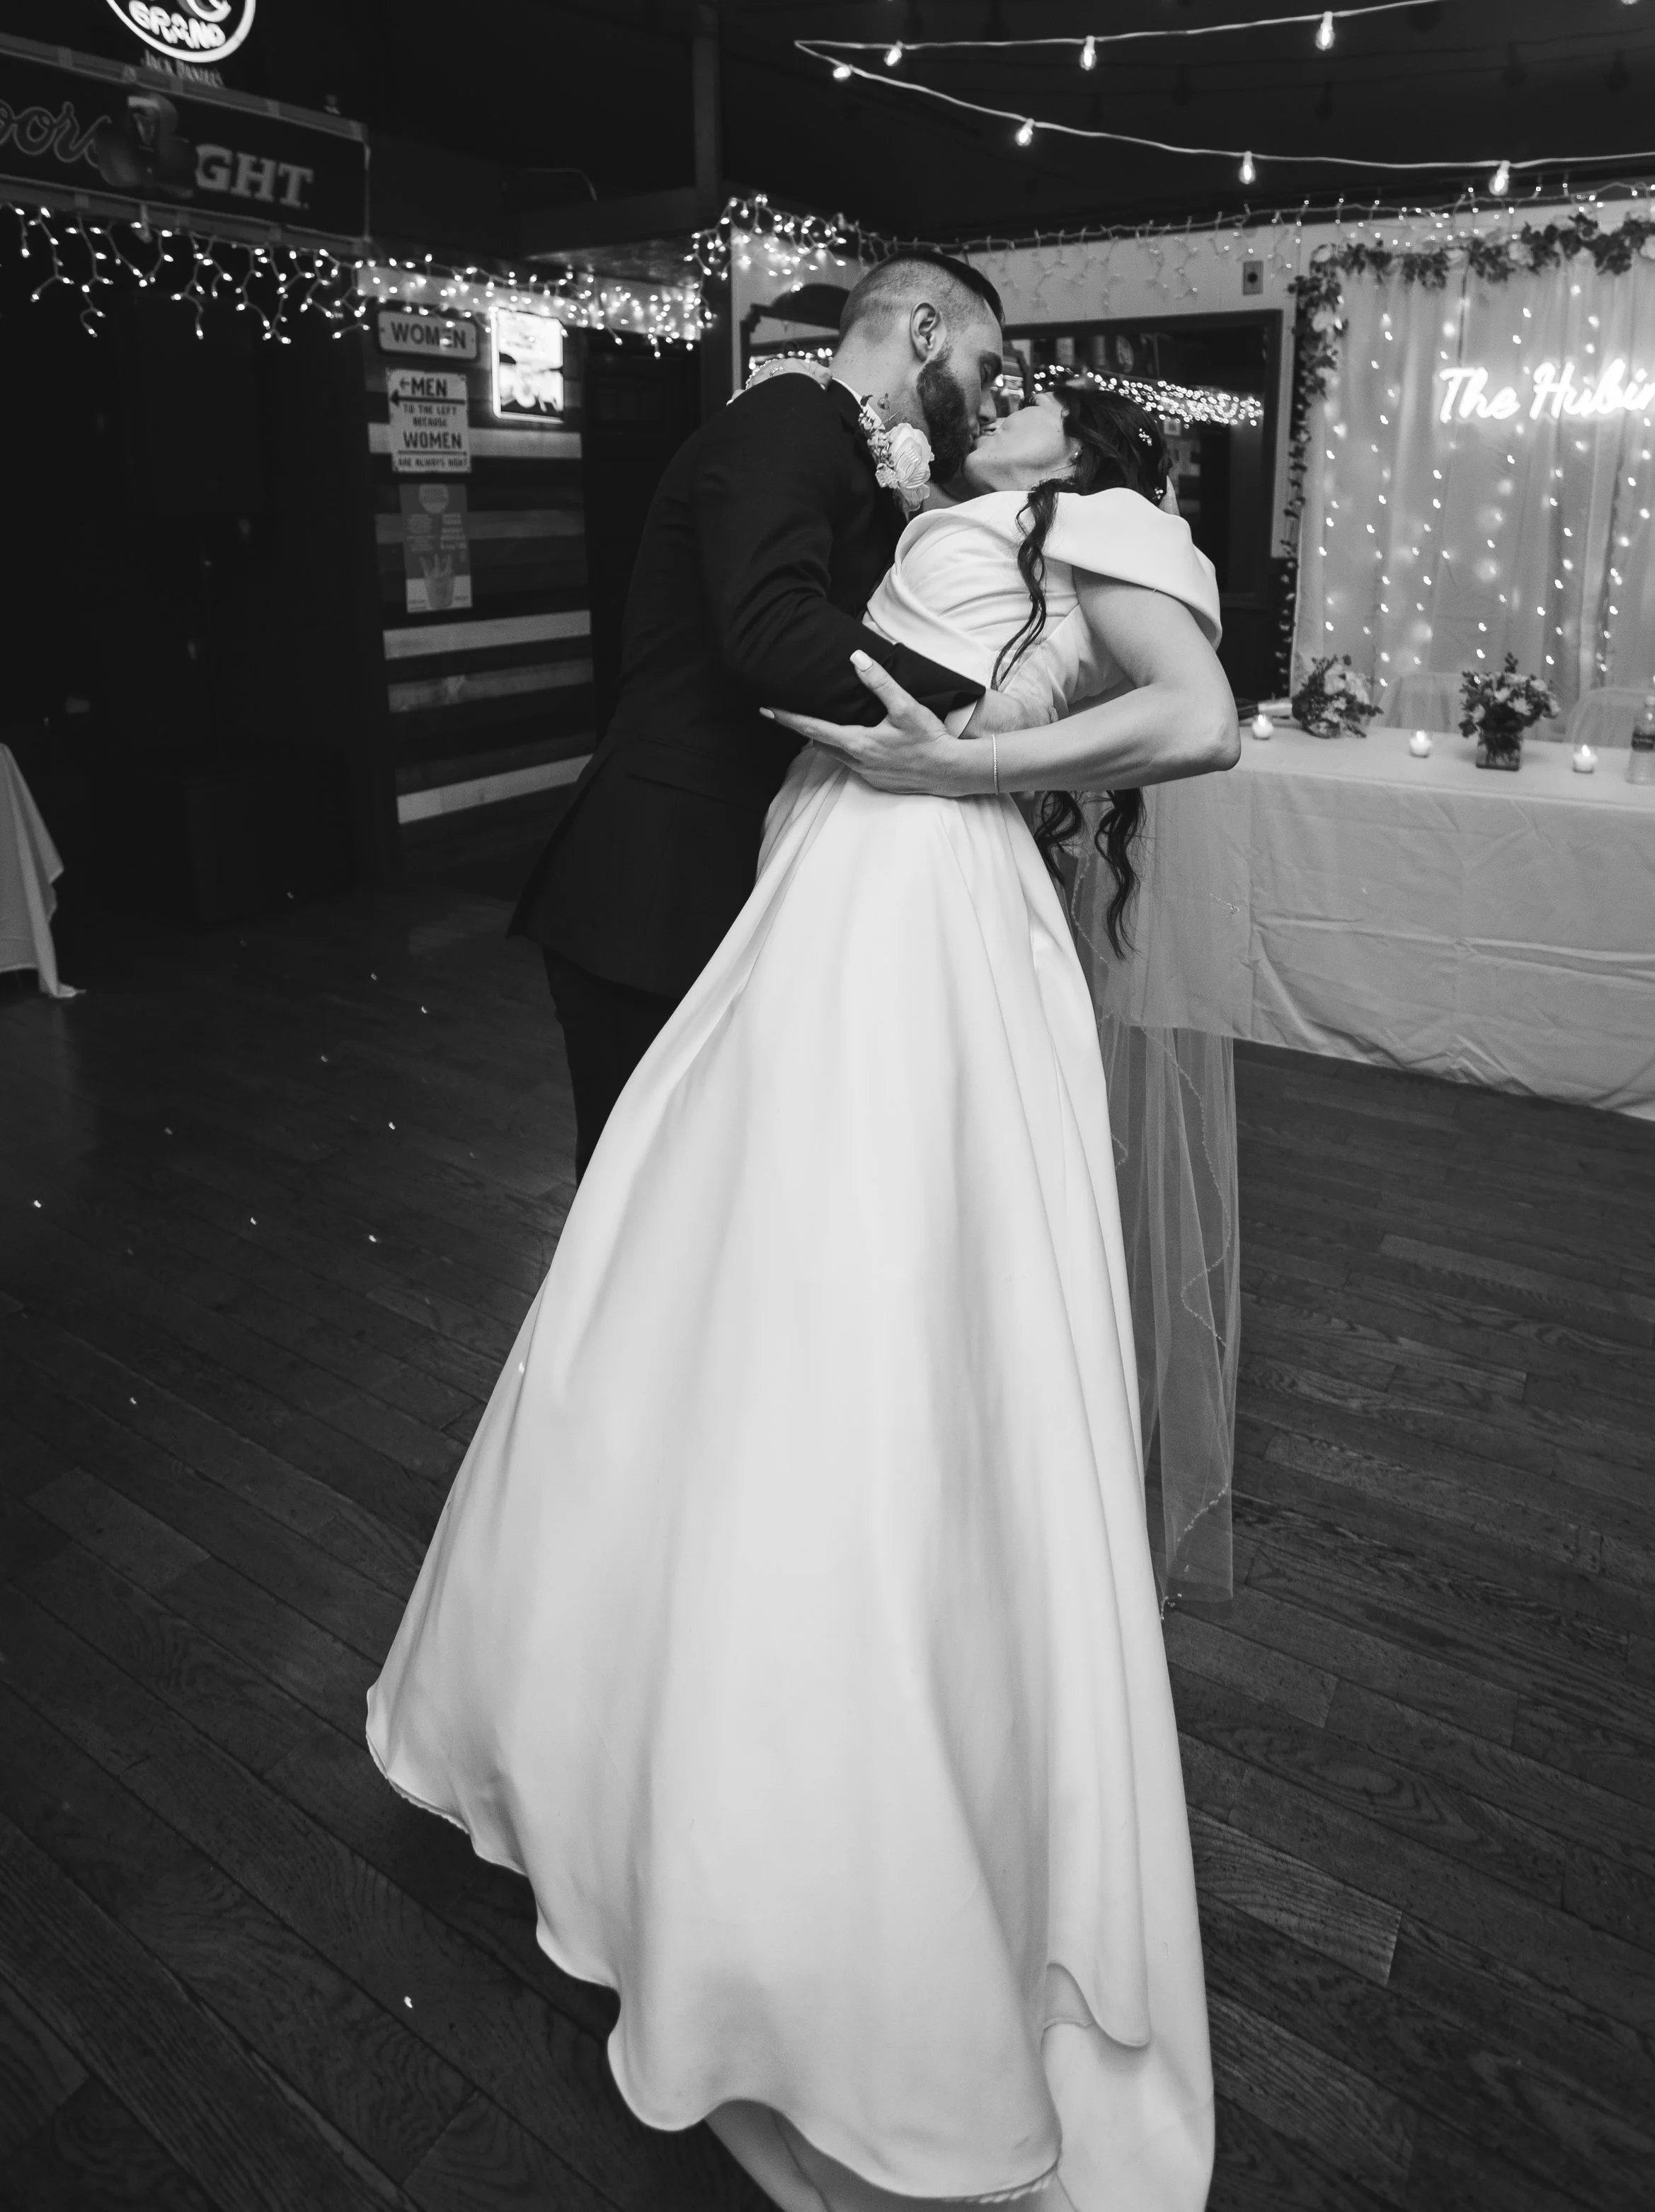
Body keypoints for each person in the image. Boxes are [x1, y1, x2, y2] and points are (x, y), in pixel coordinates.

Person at [367, 380, 1239, 2211]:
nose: (993, 402)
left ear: (1080, 448)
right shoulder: (956, 517)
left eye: (1027, 393)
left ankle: (857, 1898)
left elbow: (1195, 716)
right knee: (710, 1283)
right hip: (824, 894)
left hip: (921, 909)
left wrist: (947, 768)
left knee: (876, 1318)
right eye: (985, 384)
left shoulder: (1096, 523)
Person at [511, 251, 1046, 1179]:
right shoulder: (785, 419)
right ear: (924, 331)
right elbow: (769, 630)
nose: (992, 400)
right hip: (657, 884)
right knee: (640, 1189)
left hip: (742, 876)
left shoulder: (855, 450)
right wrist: (981, 713)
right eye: (986, 368)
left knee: (720, 1192)